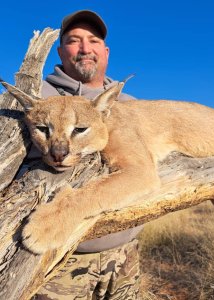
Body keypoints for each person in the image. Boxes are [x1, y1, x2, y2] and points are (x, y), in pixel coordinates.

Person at [32, 10, 142, 300]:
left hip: (126, 254)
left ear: (105, 51)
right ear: (59, 50)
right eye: (73, 40)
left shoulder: (129, 102)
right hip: (62, 259)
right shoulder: (36, 96)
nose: (84, 48)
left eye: (93, 41)